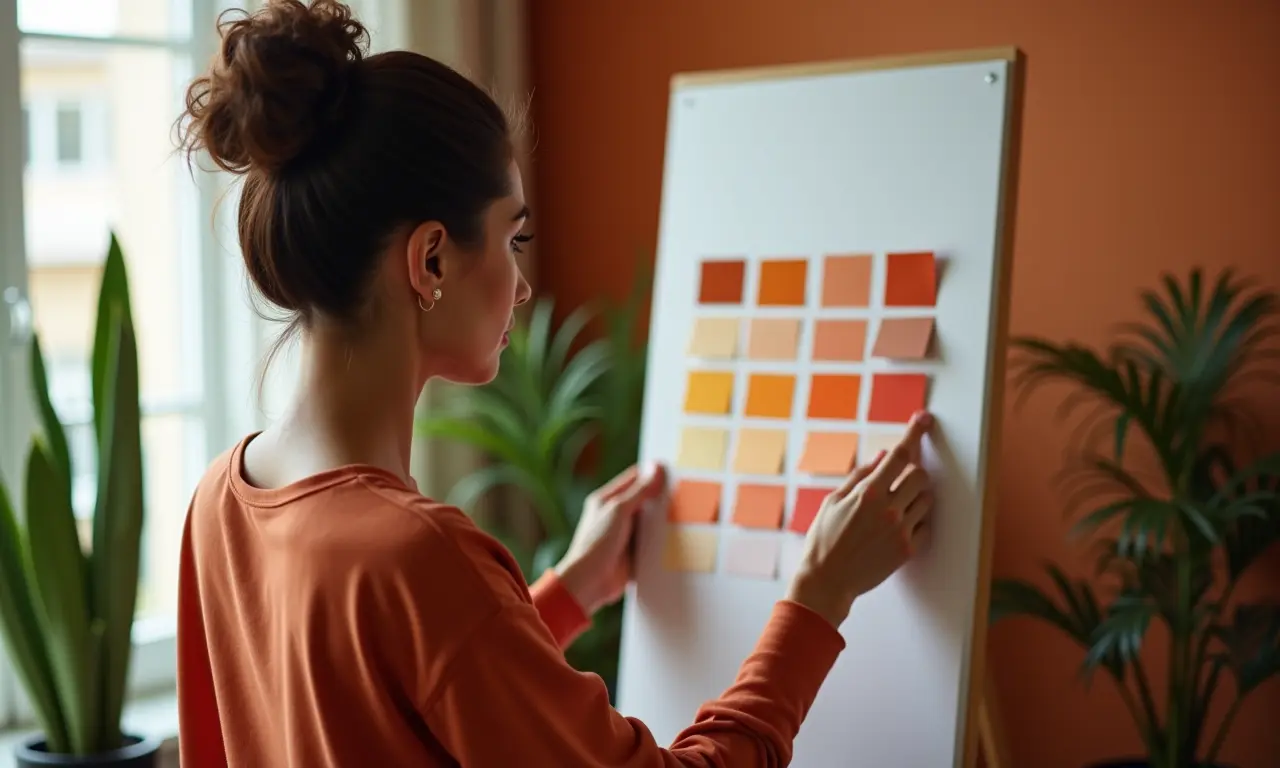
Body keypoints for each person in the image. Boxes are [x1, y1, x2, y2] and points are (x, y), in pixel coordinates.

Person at [174, 1, 937, 765]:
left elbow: (397, 701)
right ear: (430, 260)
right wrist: (818, 595)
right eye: (514, 237)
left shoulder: (220, 500)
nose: (523, 286)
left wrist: (570, 590)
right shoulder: (420, 557)